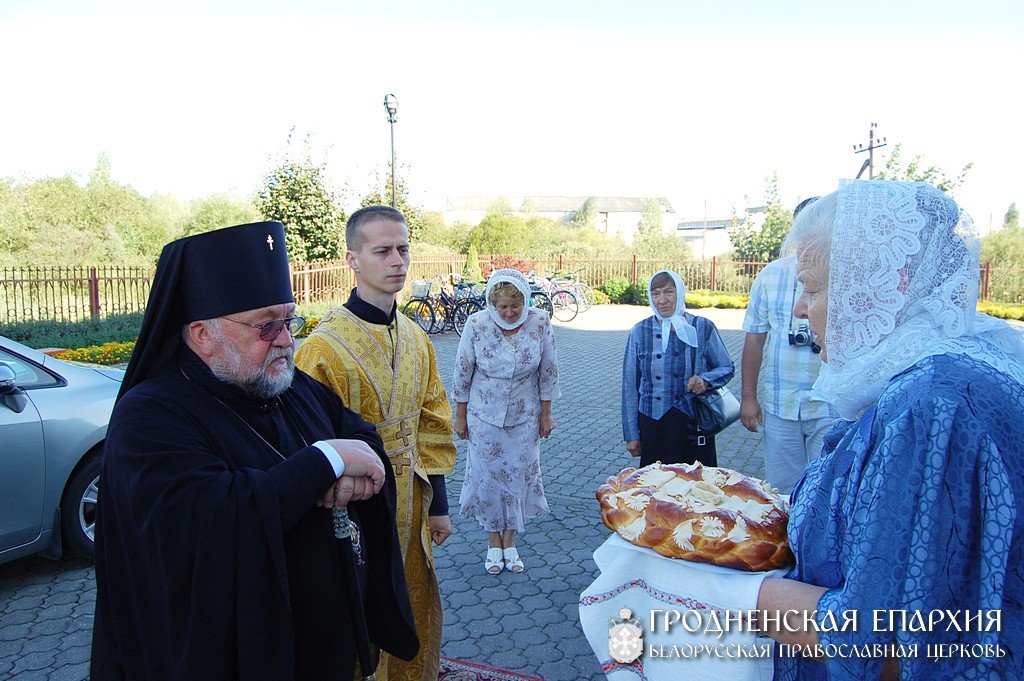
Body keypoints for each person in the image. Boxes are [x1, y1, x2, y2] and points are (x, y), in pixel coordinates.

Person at [91, 221, 418, 681]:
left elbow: (360, 434)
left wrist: (348, 465)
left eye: (290, 320)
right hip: (236, 658)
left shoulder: (286, 382)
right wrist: (324, 462)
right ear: (204, 335)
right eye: (267, 326)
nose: (286, 340)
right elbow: (207, 517)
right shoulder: (149, 415)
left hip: (325, 649)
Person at [754, 180, 1024, 679]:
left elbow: (876, 644)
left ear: (888, 282)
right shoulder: (953, 359)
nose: (798, 308)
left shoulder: (927, 406)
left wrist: (717, 592)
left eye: (812, 288)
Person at [294, 206, 456, 681]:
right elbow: (309, 447)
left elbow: (434, 424)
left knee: (412, 601)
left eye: (403, 248)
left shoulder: (416, 337)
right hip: (355, 511)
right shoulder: (321, 349)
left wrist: (438, 505)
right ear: (352, 259)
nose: (396, 261)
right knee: (362, 612)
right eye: (382, 250)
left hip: (412, 502)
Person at [451, 269, 560, 574]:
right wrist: (460, 418)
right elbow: (462, 371)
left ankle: (510, 541)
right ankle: (492, 542)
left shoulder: (540, 322)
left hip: (525, 416)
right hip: (483, 415)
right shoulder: (476, 324)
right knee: (487, 478)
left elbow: (549, 370)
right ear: (492, 303)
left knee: (517, 476)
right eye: (503, 306)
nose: (510, 312)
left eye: (516, 305)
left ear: (525, 300)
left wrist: (546, 414)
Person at [740, 198, 838, 495]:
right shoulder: (770, 275)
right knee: (782, 492)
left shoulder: (841, 273)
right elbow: (754, 338)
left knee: (827, 489)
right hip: (781, 405)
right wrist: (748, 398)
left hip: (829, 404)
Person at [621, 269, 734, 468]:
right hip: (653, 423)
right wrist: (631, 433)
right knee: (655, 490)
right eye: (656, 293)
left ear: (680, 292)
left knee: (697, 486)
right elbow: (629, 385)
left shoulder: (702, 327)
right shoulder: (639, 331)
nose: (662, 300)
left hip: (693, 423)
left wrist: (705, 380)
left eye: (669, 292)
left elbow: (727, 367)